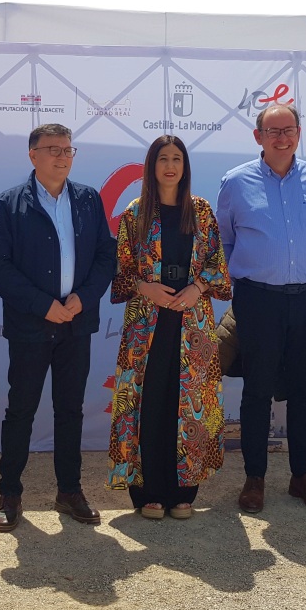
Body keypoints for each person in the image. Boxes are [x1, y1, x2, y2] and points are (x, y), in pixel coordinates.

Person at [0, 123, 117, 532]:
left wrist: (84, 297)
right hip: (30, 325)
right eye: (53, 149)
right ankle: (10, 493)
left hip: (76, 324)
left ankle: (69, 490)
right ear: (32, 155)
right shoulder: (9, 203)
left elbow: (104, 257)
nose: (62, 156)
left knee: (70, 410)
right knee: (21, 409)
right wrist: (44, 306)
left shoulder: (88, 199)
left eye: (68, 149)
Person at [216, 103, 306, 514]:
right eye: (273, 131)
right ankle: (255, 477)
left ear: (299, 133)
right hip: (258, 301)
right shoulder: (235, 182)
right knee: (257, 392)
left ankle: (302, 476)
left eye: (289, 129)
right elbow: (225, 241)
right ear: (258, 137)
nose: (282, 137)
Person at [107, 135, 231, 519]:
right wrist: (144, 287)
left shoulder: (202, 211)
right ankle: (147, 493)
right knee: (149, 402)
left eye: (177, 158)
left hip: (192, 322)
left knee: (188, 406)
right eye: (163, 158)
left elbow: (217, 266)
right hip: (147, 323)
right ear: (152, 165)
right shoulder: (135, 213)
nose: (170, 165)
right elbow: (121, 274)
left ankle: (183, 493)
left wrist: (197, 287)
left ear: (185, 166)